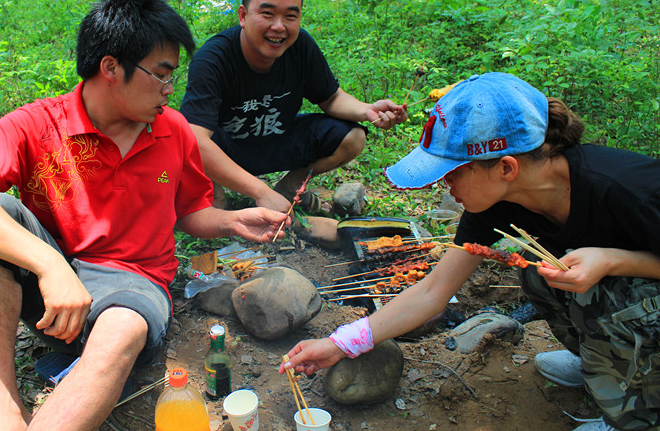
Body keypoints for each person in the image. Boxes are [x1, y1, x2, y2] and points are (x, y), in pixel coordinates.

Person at [0, 0, 288, 431]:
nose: (170, 90)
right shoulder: (37, 125)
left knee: (123, 327)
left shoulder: (171, 130)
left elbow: (188, 211)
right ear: (111, 67)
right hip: (53, 294)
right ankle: (5, 410)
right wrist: (50, 267)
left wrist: (233, 220)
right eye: (161, 75)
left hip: (134, 286)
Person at [281, 72, 660, 431]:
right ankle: (599, 364)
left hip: (644, 292)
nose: (446, 188)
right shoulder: (497, 201)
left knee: (619, 292)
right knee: (536, 269)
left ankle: (636, 412)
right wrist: (338, 344)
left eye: (452, 173)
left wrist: (613, 260)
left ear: (506, 167)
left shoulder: (629, 190)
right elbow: (433, 291)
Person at [180, 0, 408, 215]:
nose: (279, 27)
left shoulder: (301, 47)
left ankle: (289, 187)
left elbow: (331, 98)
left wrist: (368, 110)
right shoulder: (213, 59)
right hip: (228, 149)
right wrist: (260, 192)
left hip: (277, 140)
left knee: (353, 136)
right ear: (243, 16)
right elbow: (196, 140)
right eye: (267, 14)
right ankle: (216, 193)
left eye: (290, 16)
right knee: (195, 142)